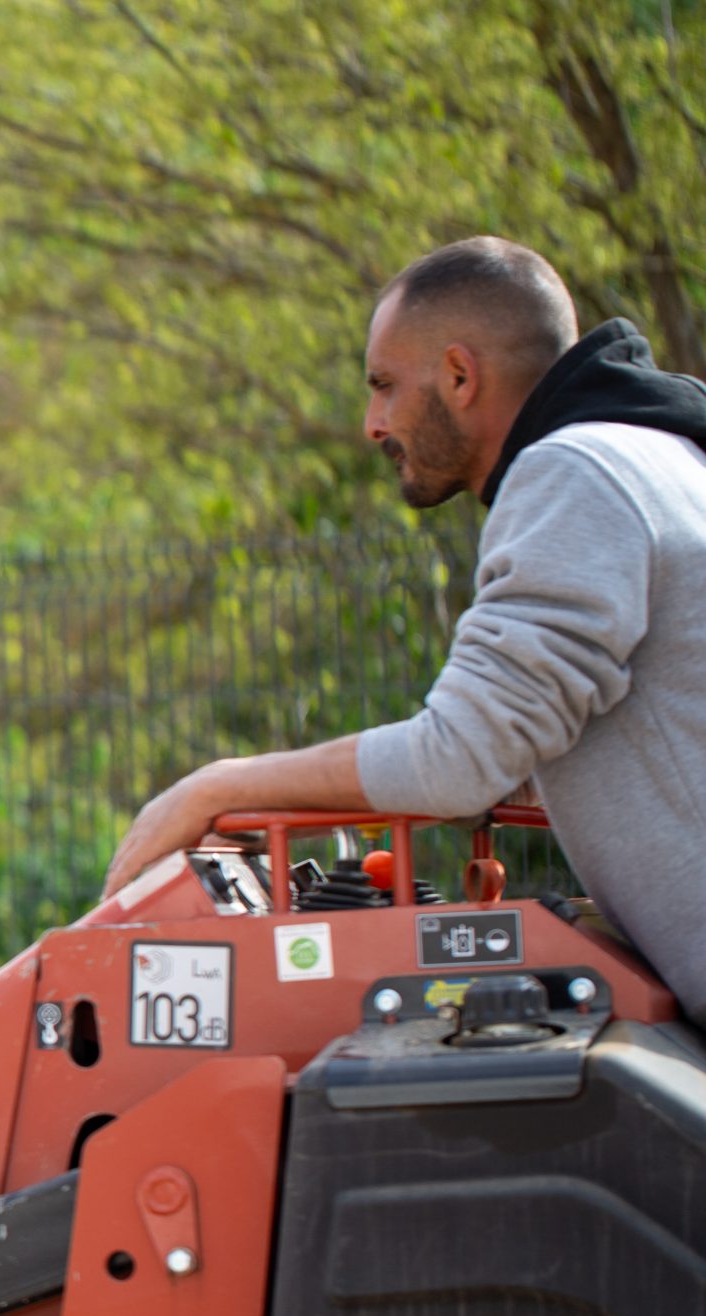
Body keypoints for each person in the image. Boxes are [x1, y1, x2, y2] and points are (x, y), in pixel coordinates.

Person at [103, 236, 706, 1017]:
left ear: (459, 375)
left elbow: (461, 758)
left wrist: (218, 787)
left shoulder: (573, 475)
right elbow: (569, 737)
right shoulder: (660, 455)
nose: (371, 422)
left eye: (384, 385)